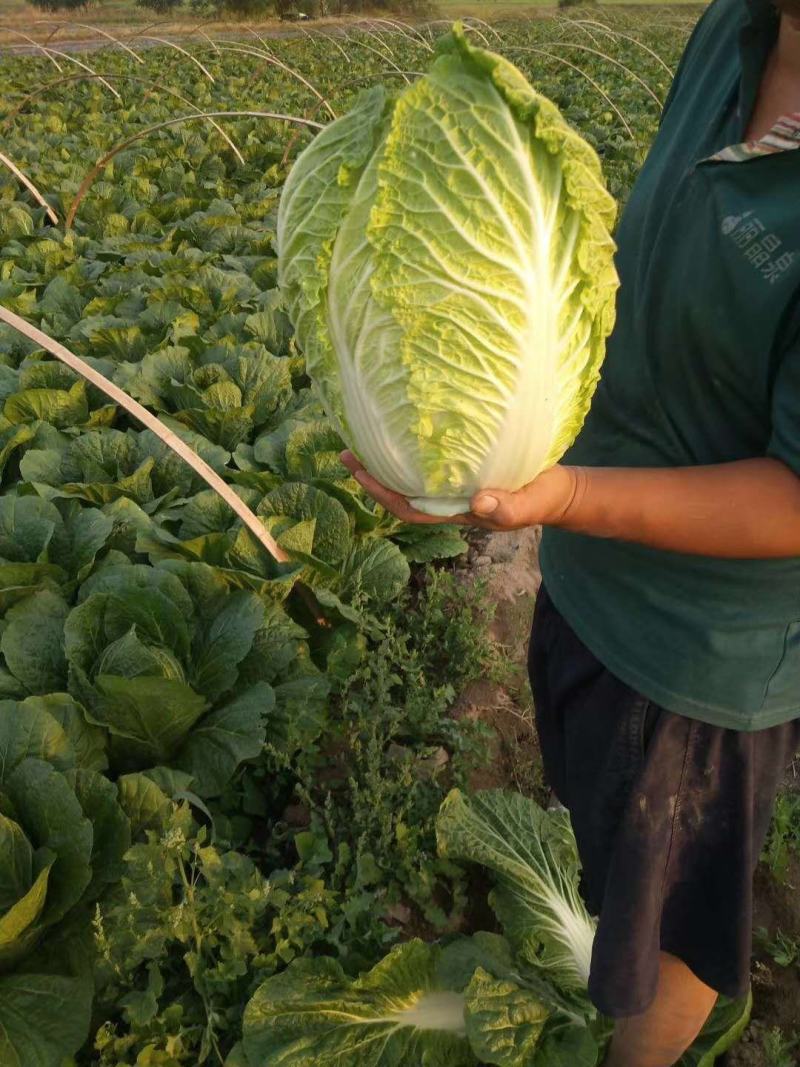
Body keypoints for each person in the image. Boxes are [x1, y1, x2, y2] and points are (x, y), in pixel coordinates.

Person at [341, 0, 800, 1063]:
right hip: (587, 579)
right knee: (604, 848)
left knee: (668, 923)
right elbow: (644, 251)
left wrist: (561, 495)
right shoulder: (734, 28)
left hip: (698, 663)